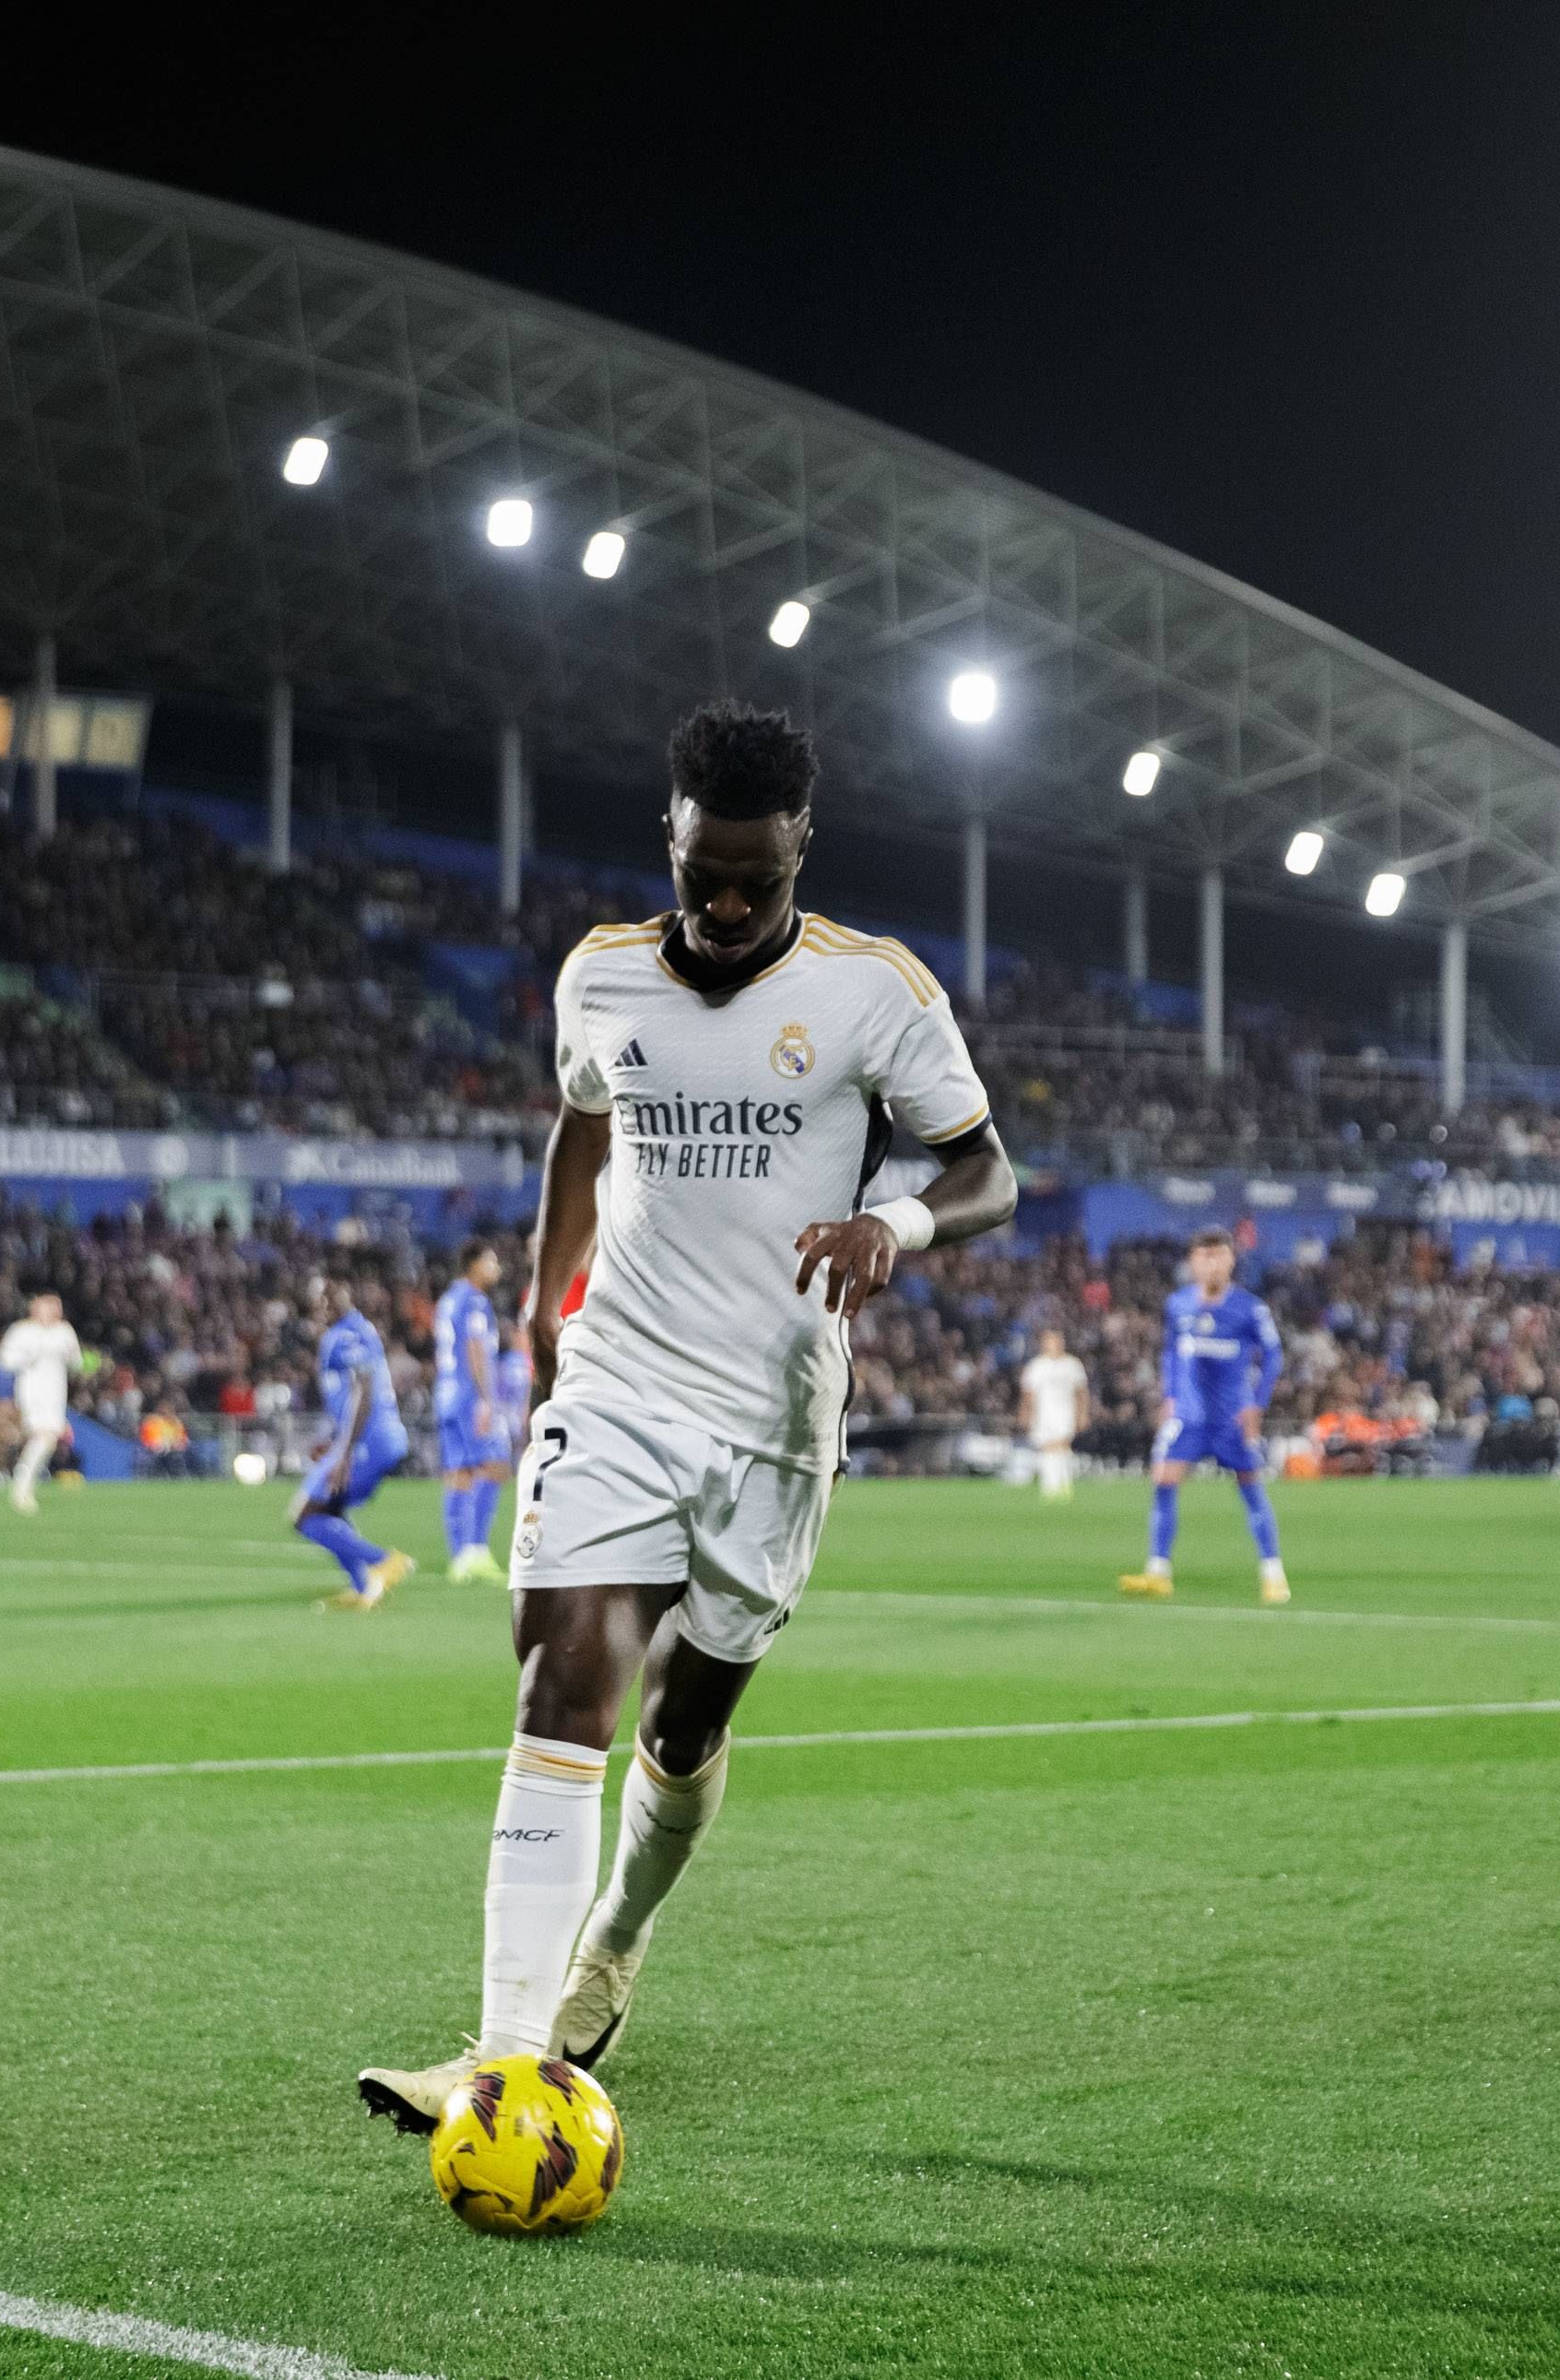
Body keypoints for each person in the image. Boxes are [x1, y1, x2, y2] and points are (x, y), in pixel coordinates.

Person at [356, 700, 1013, 2134]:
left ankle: (621, 1939)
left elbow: (987, 1171)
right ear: (669, 839)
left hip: (778, 1421)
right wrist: (547, 1298)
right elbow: (583, 1117)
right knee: (562, 1676)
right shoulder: (599, 977)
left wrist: (894, 1220)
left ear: (799, 853)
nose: (723, 904)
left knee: (683, 1728)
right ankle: (505, 2062)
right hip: (623, 1378)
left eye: (756, 881)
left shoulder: (877, 992)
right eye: (701, 873)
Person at [1119, 1229, 1289, 1603]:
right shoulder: (1178, 1304)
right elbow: (1171, 1352)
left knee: (1250, 1487)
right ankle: (1158, 1571)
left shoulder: (1250, 1309)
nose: (1211, 1263)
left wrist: (1256, 1405)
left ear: (1231, 1260)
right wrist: (1169, 1396)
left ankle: (1273, 1572)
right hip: (1189, 1416)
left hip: (1231, 1418)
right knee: (1163, 1479)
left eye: (1218, 1255)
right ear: (1192, 1261)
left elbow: (1274, 1356)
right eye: (1203, 1256)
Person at [300, 1276, 416, 1611]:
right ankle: (365, 1587)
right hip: (373, 1437)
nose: (320, 1308)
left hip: (370, 1440)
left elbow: (364, 1389)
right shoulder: (356, 1330)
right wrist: (335, 1440)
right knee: (330, 1510)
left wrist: (345, 1452)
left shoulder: (345, 1335)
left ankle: (385, 1561)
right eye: (316, 1302)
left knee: (306, 1515)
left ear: (342, 1299)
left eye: (326, 1299)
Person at [432, 1240, 511, 1578]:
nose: (497, 1268)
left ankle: (459, 1557)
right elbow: (475, 1348)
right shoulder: (476, 1301)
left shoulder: (450, 1298)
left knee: (460, 1472)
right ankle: (475, 1550)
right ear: (475, 1265)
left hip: (446, 1392)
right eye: (491, 1261)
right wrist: (485, 1400)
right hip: (468, 1396)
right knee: (496, 1466)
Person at [0, 1289, 84, 1513]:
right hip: (31, 1392)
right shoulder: (22, 1331)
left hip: (56, 1393)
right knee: (43, 1436)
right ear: (36, 1307)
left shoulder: (64, 1331)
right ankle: (21, 1485)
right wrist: (27, 1356)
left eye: (57, 1305)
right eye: (49, 1305)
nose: (55, 1310)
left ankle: (25, 1484)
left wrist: (72, 1356)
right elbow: (4, 1361)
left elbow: (77, 1363)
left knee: (51, 1440)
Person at [1017, 1325, 1090, 1501]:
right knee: (1046, 1446)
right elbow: (1028, 1394)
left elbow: (1081, 1392)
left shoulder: (1072, 1364)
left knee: (1062, 1444)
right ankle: (1050, 1485)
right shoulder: (1036, 1366)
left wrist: (1083, 1414)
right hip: (1042, 1412)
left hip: (1065, 1410)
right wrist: (1024, 1414)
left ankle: (1064, 1483)